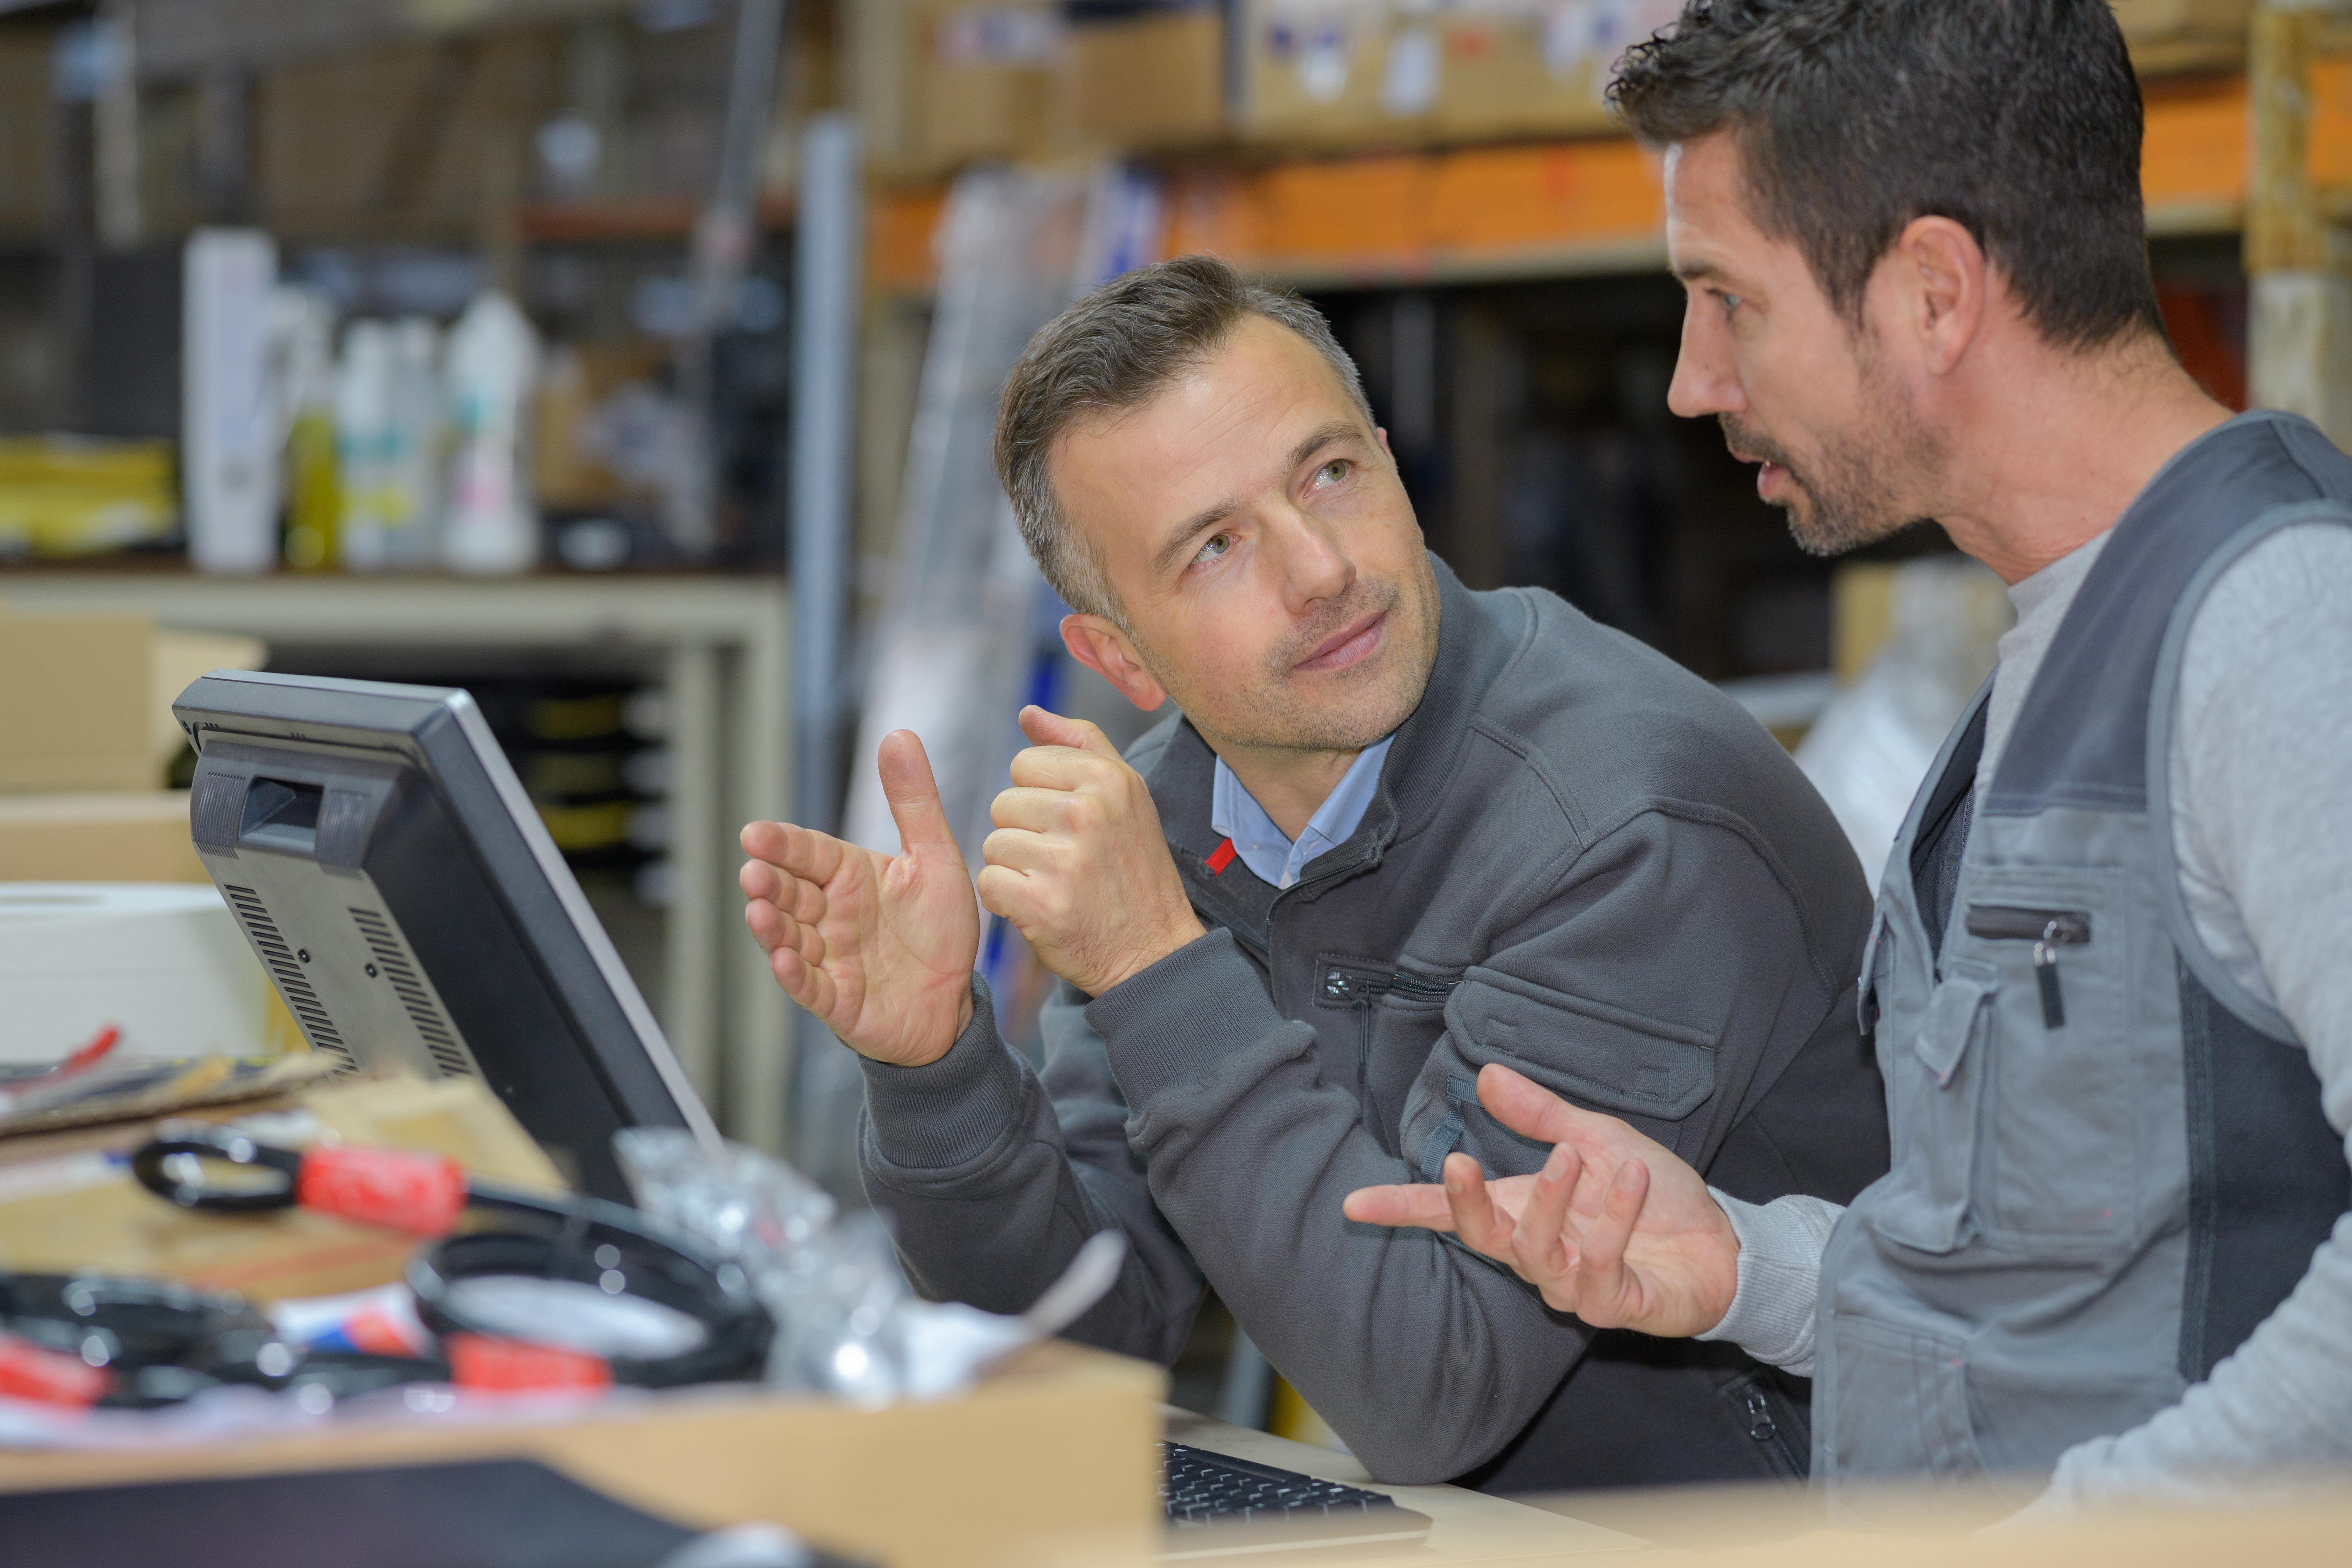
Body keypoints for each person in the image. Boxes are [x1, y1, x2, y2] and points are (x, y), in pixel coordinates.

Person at [1347, 0, 2352, 1520]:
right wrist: (1748, 1270)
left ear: (1933, 293)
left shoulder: (2280, 627)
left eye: (1726, 299)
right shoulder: (2057, 649)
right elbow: (2042, 1286)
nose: (1691, 378)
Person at [739, 254, 1889, 1490]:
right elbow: (1082, 1336)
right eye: (1217, 548)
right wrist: (939, 1069)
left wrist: (1155, 967)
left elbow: (1431, 1386)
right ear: (1120, 657)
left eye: (1329, 475)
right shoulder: (1175, 815)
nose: (1321, 570)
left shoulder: (1629, 826)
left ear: (1393, 464)